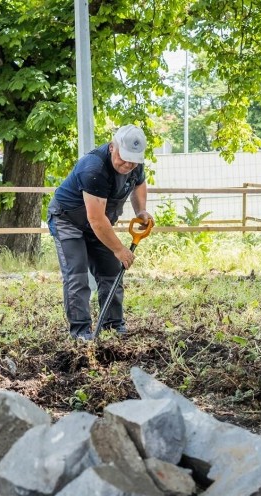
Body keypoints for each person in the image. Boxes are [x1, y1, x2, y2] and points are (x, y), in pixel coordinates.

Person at [47, 125, 154, 340]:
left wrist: (141, 210)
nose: (127, 164)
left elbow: (139, 183)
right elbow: (95, 219)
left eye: (133, 161)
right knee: (77, 275)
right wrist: (120, 249)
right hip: (68, 220)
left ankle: (113, 325)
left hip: (98, 223)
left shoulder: (135, 165)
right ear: (112, 147)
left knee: (111, 271)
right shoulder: (93, 168)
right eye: (123, 158)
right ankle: (81, 331)